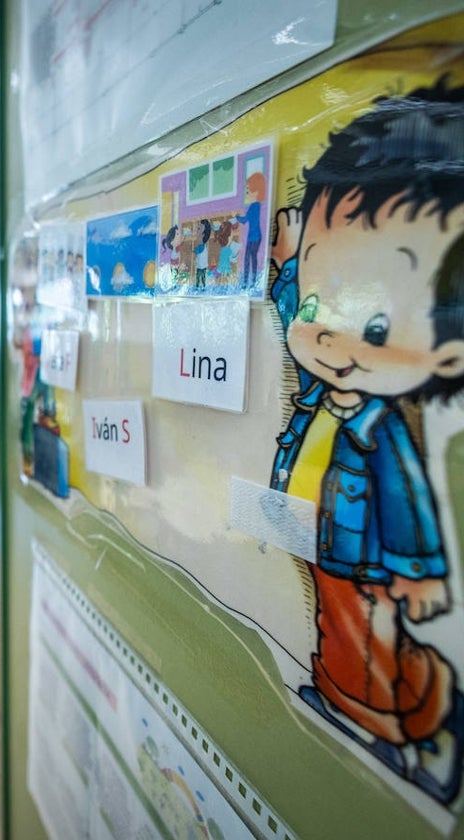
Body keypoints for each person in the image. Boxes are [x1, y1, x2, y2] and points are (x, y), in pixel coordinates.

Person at [268, 78, 464, 804]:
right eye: (321, 306)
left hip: (361, 554)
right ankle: (421, 705)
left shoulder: (382, 429)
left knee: (355, 639)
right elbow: (304, 318)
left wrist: (417, 569)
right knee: (345, 630)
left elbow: (407, 497)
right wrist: (291, 270)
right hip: (326, 542)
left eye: (377, 329)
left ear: (446, 354)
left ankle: (376, 722)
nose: (329, 335)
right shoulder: (328, 384)